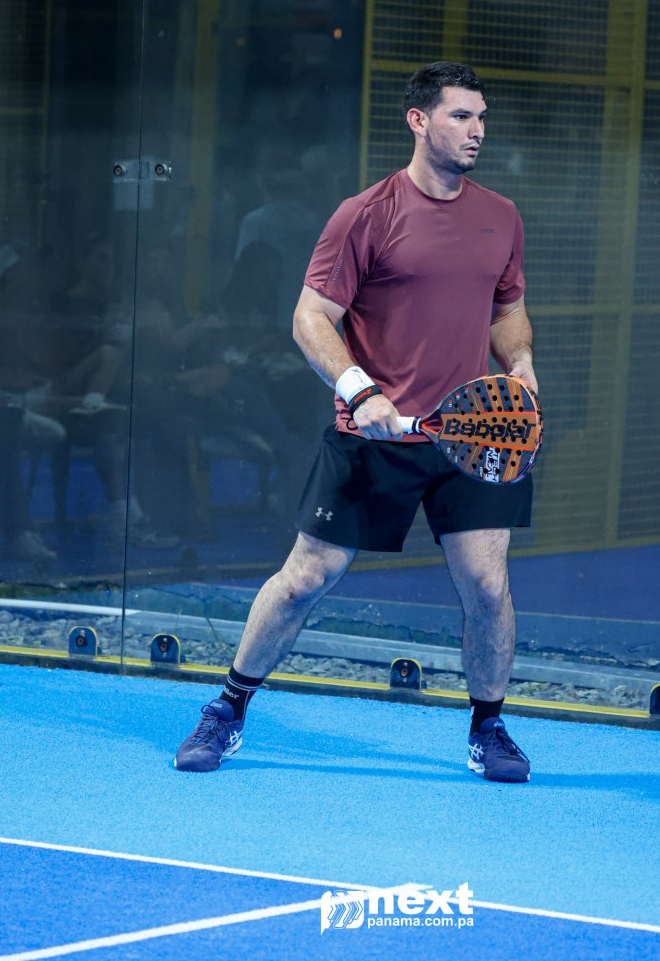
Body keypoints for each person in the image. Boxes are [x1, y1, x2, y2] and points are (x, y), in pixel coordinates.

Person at [175, 61, 539, 783]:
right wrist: (360, 390)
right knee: (305, 578)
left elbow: (508, 309)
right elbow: (311, 317)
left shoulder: (501, 215)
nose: (477, 130)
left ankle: (488, 728)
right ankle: (227, 707)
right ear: (418, 121)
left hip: (472, 437)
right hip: (371, 436)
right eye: (461, 116)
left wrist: (521, 364)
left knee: (488, 587)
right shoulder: (366, 214)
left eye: (481, 117)